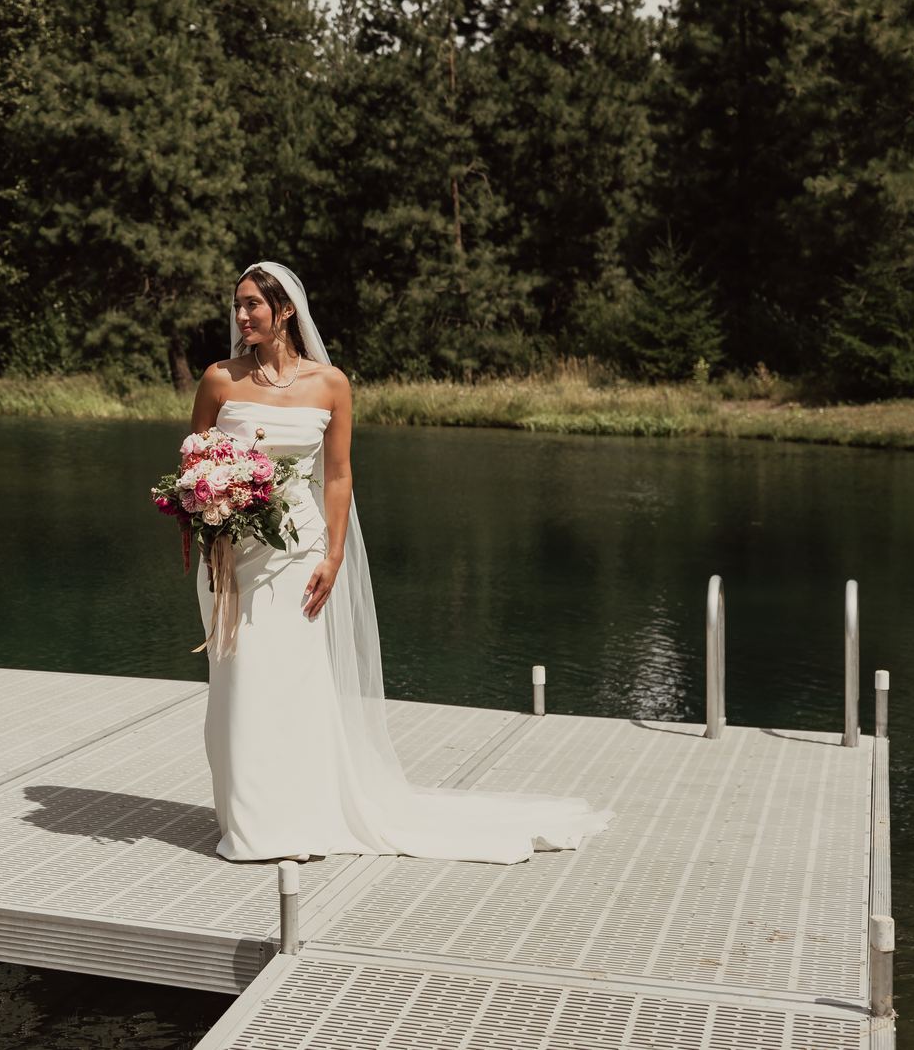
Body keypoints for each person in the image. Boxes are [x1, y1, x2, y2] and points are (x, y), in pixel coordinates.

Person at [191, 261, 614, 863]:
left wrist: (334, 554)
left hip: (300, 549)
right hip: (235, 553)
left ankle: (298, 815)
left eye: (251, 305)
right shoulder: (219, 380)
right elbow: (194, 463)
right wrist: (209, 525)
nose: (240, 316)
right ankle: (250, 820)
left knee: (291, 683)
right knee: (239, 683)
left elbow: (337, 474)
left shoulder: (330, 384)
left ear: (284, 311)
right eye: (237, 305)